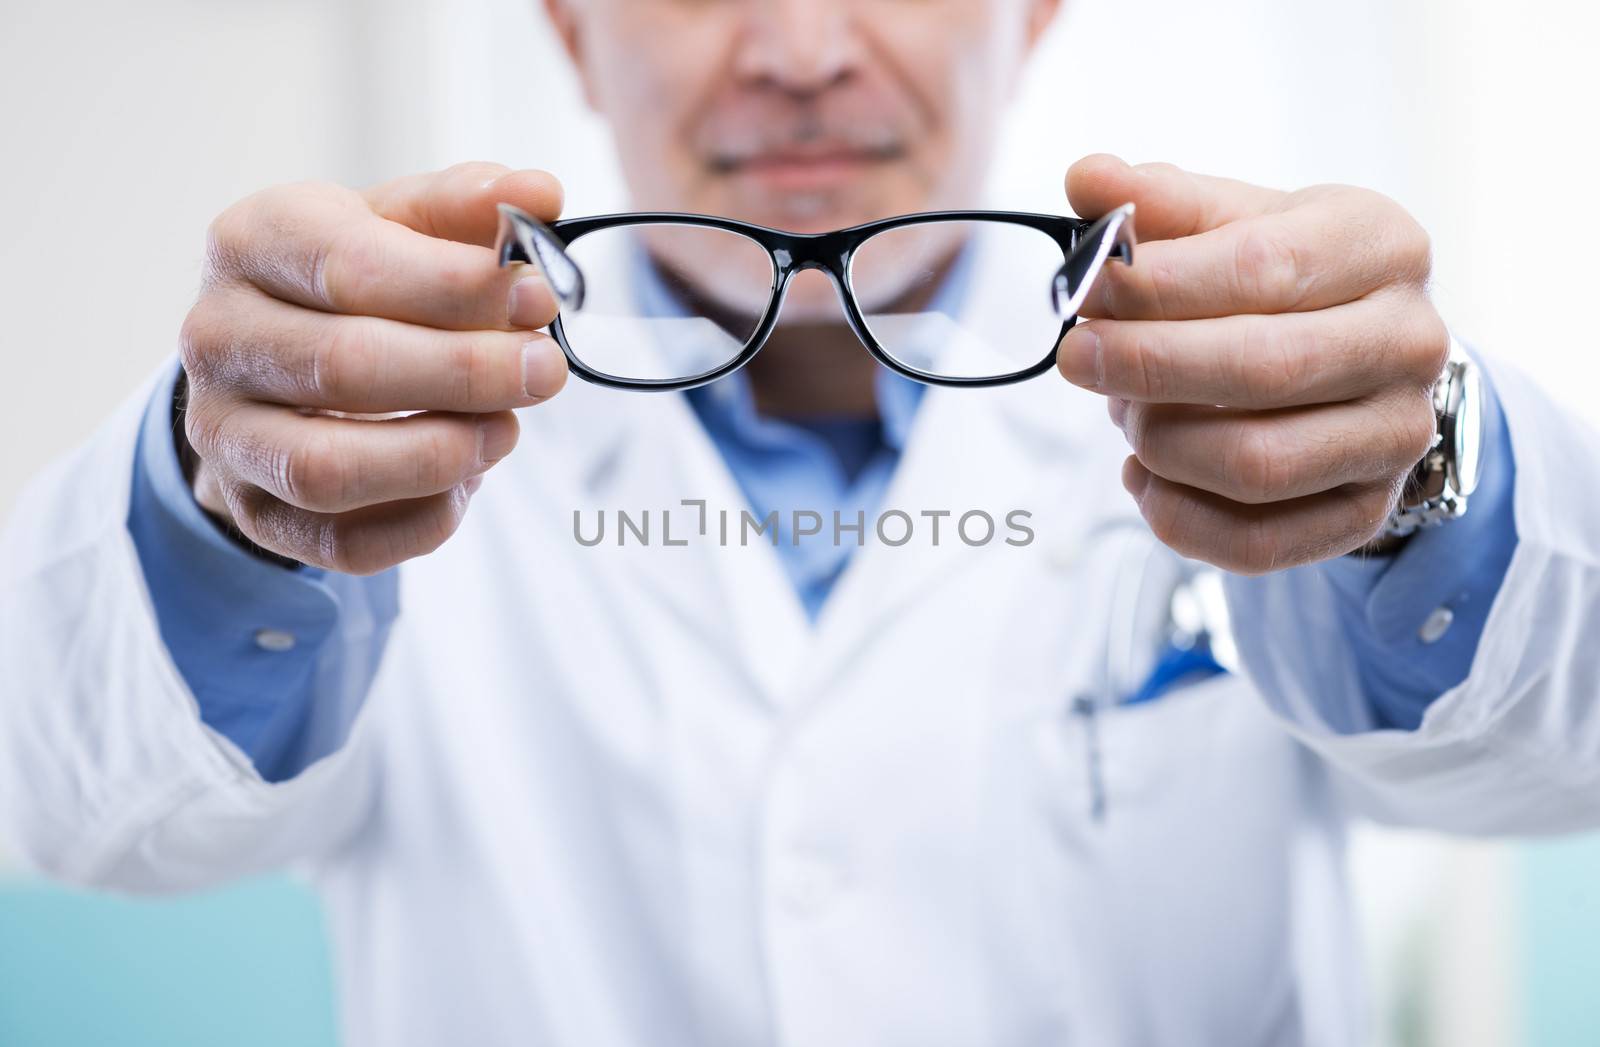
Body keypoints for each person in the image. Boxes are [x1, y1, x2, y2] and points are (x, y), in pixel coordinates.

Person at [3, 1, 1598, 1044]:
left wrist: (1426, 472)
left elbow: (1560, 761)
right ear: (569, 27)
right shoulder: (386, 420)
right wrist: (223, 506)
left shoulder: (1243, 377)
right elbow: (71, 802)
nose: (801, 44)